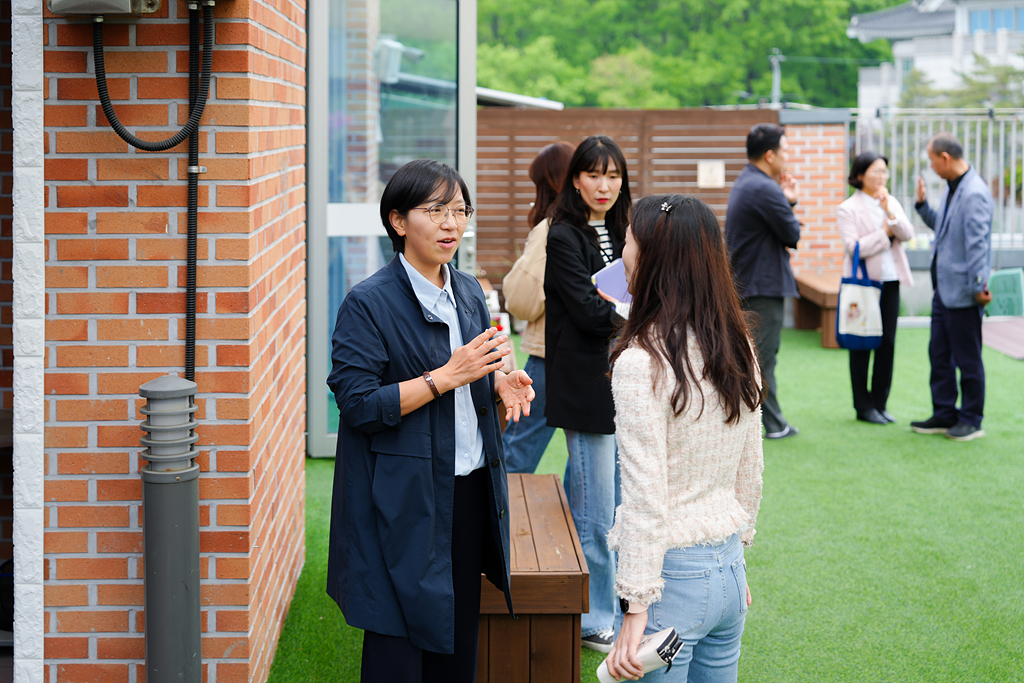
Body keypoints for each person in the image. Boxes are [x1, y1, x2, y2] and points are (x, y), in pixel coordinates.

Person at [326, 159, 535, 683]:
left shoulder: (466, 290)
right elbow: (357, 405)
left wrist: (495, 382)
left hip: (465, 492)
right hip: (400, 499)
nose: (451, 224)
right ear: (398, 221)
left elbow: (472, 377)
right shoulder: (366, 303)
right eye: (435, 210)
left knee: (455, 643)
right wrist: (446, 375)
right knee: (397, 650)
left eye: (460, 210)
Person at [603, 195, 764, 682]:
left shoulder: (639, 364)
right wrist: (737, 552)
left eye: (627, 241)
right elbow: (750, 465)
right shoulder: (737, 346)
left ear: (651, 256)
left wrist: (636, 604)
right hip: (729, 572)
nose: (621, 254)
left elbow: (645, 496)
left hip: (669, 583)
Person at [545, 134, 632, 652]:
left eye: (614, 175)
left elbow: (640, 296)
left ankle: (621, 604)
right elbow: (588, 310)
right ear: (576, 178)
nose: (604, 185)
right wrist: (630, 309)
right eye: (594, 174)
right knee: (596, 511)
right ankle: (593, 615)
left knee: (622, 506)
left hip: (630, 380)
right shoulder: (563, 236)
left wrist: (621, 308)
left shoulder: (628, 229)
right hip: (586, 385)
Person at [911, 132, 993, 441]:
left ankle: (972, 419)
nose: (931, 167)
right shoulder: (951, 188)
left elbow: (977, 246)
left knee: (967, 357)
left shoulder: (974, 193)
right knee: (940, 354)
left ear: (945, 158)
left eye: (932, 160)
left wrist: (978, 287)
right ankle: (945, 413)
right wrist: (921, 206)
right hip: (943, 292)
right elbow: (943, 228)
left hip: (964, 293)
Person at [501, 141, 576, 473]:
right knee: (590, 456)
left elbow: (521, 301)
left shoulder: (551, 229)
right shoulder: (602, 227)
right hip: (595, 355)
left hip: (550, 353)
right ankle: (585, 526)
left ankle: (495, 523)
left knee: (518, 448)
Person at [724, 123, 802, 440]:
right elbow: (792, 234)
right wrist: (788, 202)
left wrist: (788, 202)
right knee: (762, 358)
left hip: (749, 281)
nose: (787, 158)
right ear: (770, 155)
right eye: (784, 151)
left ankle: (767, 421)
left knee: (753, 356)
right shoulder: (764, 188)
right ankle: (770, 424)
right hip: (762, 285)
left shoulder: (749, 182)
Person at [836, 152, 915, 425]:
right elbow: (853, 247)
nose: (882, 176)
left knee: (887, 344)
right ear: (859, 175)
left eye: (884, 171)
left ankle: (880, 404)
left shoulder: (890, 202)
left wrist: (889, 215)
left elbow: (908, 234)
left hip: (890, 283)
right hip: (864, 284)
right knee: (861, 343)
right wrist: (884, 233)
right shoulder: (847, 208)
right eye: (876, 171)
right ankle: (863, 406)